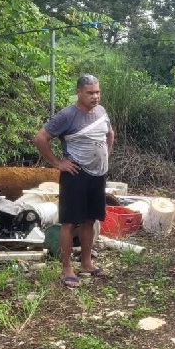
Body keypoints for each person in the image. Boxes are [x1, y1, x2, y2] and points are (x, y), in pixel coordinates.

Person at [32, 74, 115, 288]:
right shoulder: (67, 116)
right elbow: (40, 138)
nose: (95, 96)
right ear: (79, 92)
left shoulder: (102, 111)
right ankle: (66, 268)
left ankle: (86, 263)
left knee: (89, 219)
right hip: (75, 174)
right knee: (69, 222)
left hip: (98, 174)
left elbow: (109, 134)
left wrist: (105, 155)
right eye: (90, 93)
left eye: (97, 92)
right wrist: (58, 163)